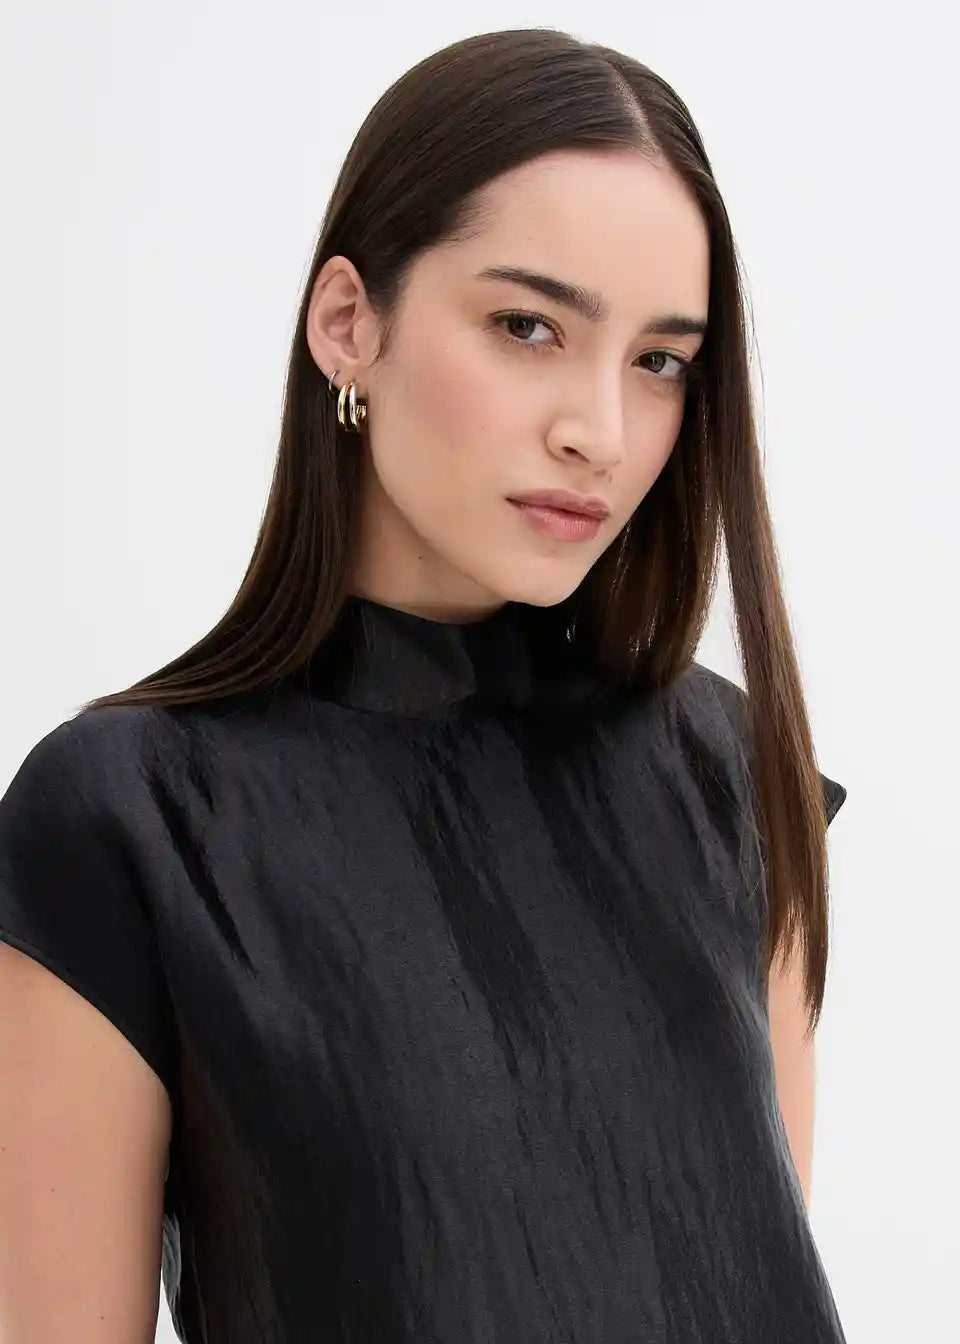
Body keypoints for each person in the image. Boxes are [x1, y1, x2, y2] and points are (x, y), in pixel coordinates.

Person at [0, 26, 849, 1344]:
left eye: (659, 360)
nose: (600, 431)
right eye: (528, 326)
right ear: (349, 323)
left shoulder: (721, 768)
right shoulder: (132, 819)